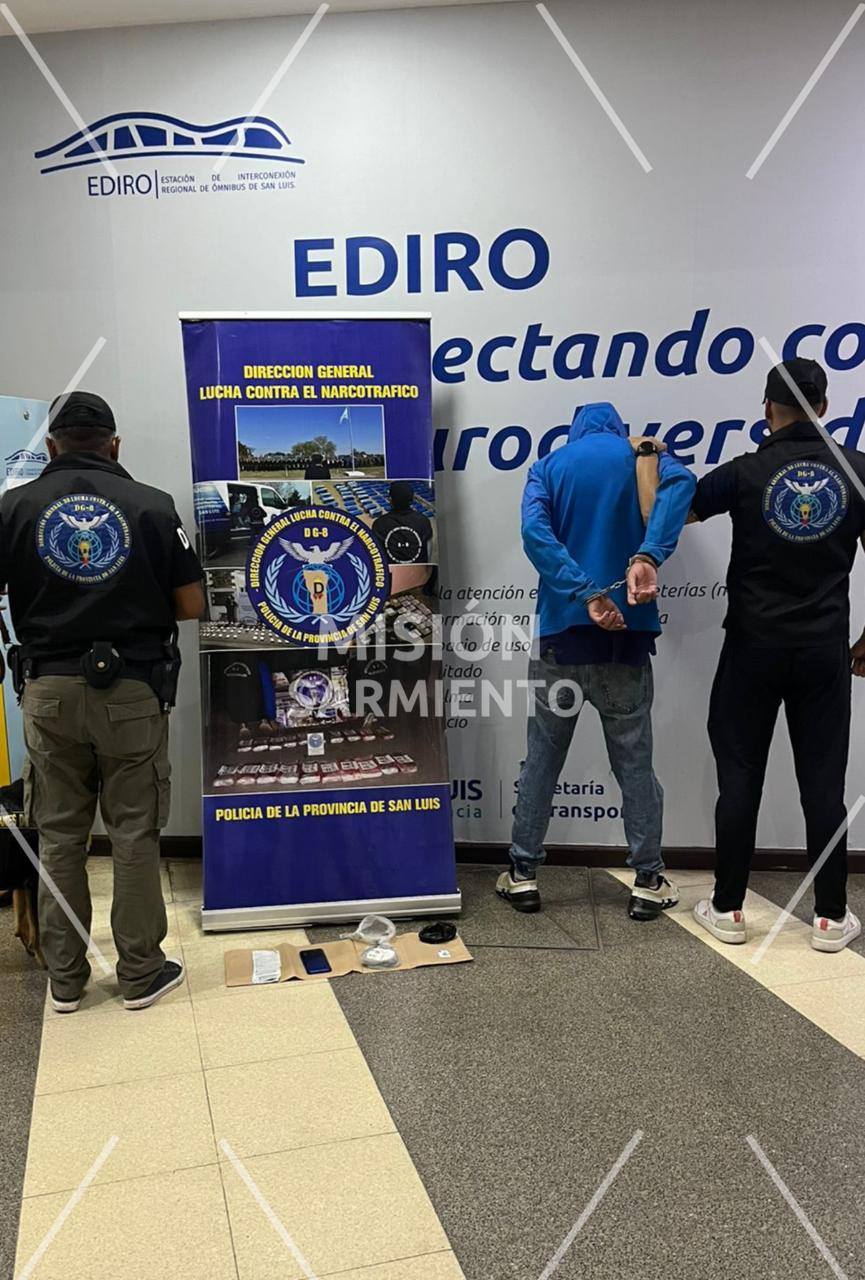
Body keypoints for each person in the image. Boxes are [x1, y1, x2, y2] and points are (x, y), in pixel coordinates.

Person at [0, 391, 205, 1012]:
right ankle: (140, 973)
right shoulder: (152, 505)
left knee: (59, 836)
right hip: (132, 693)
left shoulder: (14, 507)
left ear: (50, 446)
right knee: (135, 834)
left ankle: (65, 981)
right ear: (115, 445)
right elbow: (191, 604)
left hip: (48, 693)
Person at [691, 359, 863, 951]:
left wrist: (647, 459)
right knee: (823, 784)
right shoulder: (857, 470)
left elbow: (667, 512)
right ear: (824, 406)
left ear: (768, 409)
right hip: (823, 651)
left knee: (740, 777)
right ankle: (830, 918)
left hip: (751, 649)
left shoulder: (744, 472)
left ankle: (727, 910)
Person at [500, 402, 696, 918]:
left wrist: (583, 590)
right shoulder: (643, 459)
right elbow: (683, 485)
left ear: (575, 431)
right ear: (618, 430)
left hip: (561, 640)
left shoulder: (549, 467)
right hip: (624, 643)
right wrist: (649, 553)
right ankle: (647, 880)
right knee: (635, 765)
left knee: (542, 761)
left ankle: (522, 874)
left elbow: (535, 534)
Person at [372, 481, 433, 563]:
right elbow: (428, 552)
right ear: (412, 499)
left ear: (390, 499)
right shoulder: (423, 521)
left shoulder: (379, 524)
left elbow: (376, 555)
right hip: (418, 570)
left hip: (391, 570)